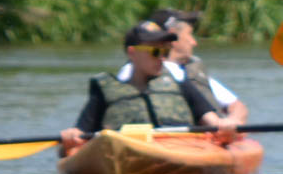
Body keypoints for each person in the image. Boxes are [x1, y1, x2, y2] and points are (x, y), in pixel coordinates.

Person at [59, 21, 241, 148]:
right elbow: (79, 135)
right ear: (132, 53)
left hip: (181, 148)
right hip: (125, 151)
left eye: (165, 51)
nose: (162, 57)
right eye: (155, 51)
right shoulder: (105, 90)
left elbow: (213, 122)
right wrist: (70, 138)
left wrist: (226, 127)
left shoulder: (179, 83)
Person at [145, 7, 249, 125]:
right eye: (189, 34)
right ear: (172, 37)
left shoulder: (191, 70)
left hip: (211, 134)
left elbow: (237, 105)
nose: (194, 42)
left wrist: (232, 122)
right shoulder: (140, 72)